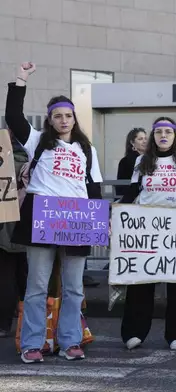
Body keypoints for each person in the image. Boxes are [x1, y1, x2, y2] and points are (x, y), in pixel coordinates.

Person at [6, 62, 103, 363]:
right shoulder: (37, 141)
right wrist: (20, 80)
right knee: (37, 284)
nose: (63, 120)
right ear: (50, 120)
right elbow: (12, 116)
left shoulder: (87, 150)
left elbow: (94, 188)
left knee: (74, 287)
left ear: (75, 118)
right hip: (43, 215)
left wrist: (101, 222)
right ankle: (32, 344)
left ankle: (70, 341)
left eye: (68, 115)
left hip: (76, 218)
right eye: (58, 116)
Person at [118, 117, 176, 351]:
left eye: (168, 132)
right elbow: (132, 192)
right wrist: (113, 215)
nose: (163, 136)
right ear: (153, 136)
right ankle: (134, 332)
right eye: (158, 132)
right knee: (141, 281)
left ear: (175, 135)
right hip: (146, 228)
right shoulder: (141, 161)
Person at [0, 134, 28, 338]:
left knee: (6, 276)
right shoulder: (32, 161)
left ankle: (4, 324)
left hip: (4, 228)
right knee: (28, 277)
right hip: (30, 226)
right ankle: (34, 322)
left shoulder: (3, 164)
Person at [116, 128, 146, 199]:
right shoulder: (126, 161)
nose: (145, 141)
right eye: (140, 139)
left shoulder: (150, 158)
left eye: (145, 138)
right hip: (132, 199)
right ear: (132, 143)